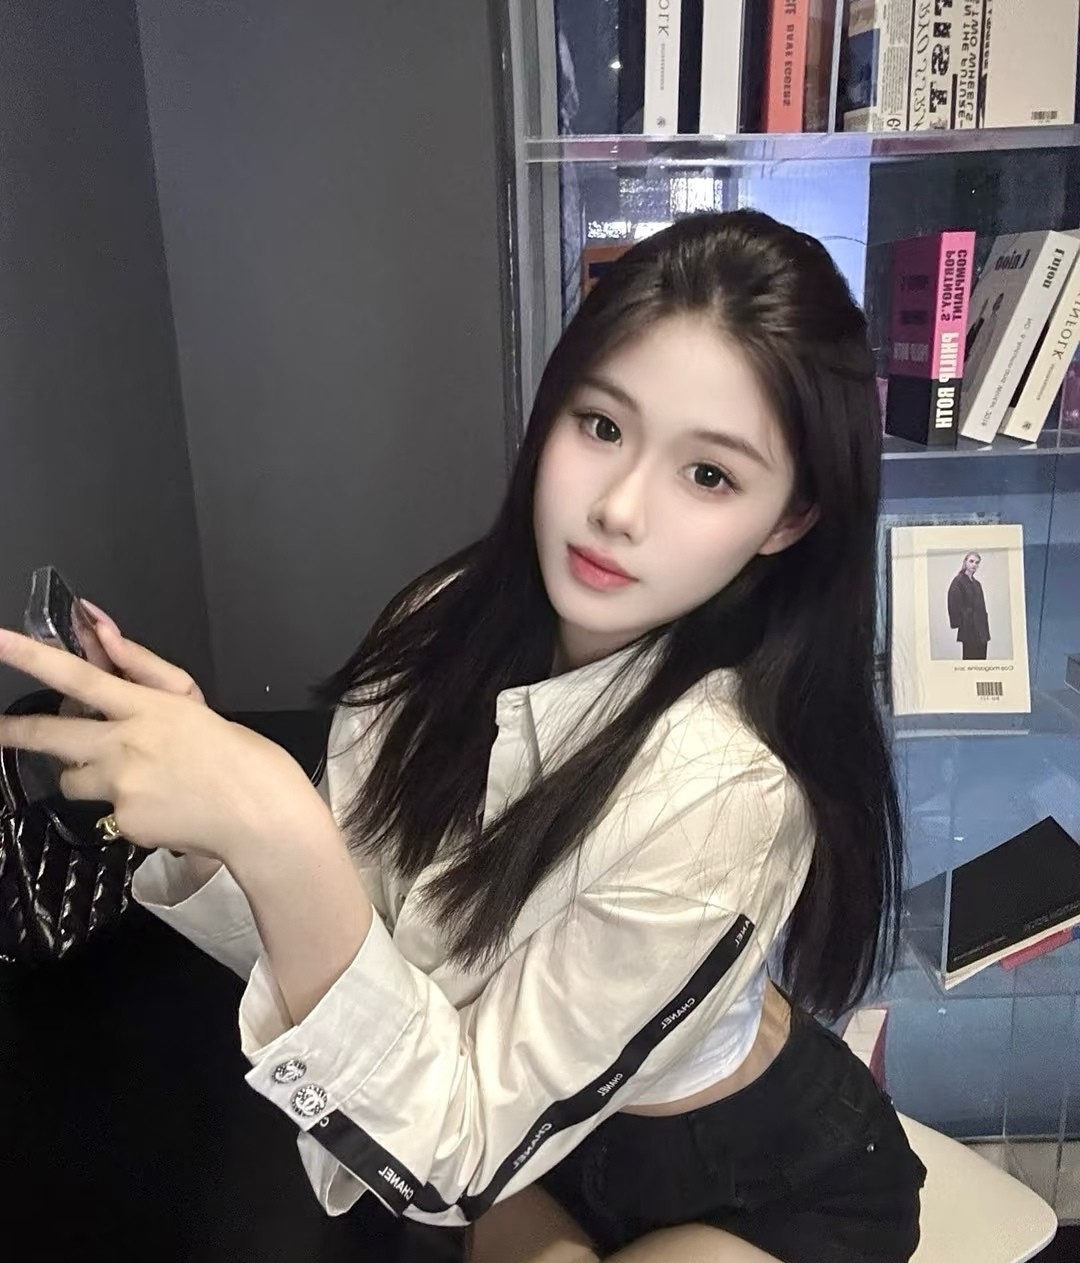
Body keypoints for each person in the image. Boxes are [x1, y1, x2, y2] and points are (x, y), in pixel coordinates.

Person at [0, 210, 926, 1263]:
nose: (620, 508)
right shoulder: (442, 622)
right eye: (601, 426)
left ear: (789, 519)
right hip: (522, 1136)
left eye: (709, 475)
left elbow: (453, 1150)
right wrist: (218, 824)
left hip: (745, 1177)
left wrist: (277, 823)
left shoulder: (730, 795)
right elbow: (348, 956)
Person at [947, 552, 990, 661]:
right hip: (969, 628)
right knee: (970, 661)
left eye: (977, 562)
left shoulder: (977, 584)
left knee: (982, 661)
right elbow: (953, 603)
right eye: (971, 561)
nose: (974, 565)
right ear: (965, 562)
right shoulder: (958, 581)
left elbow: (982, 607)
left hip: (981, 630)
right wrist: (962, 620)